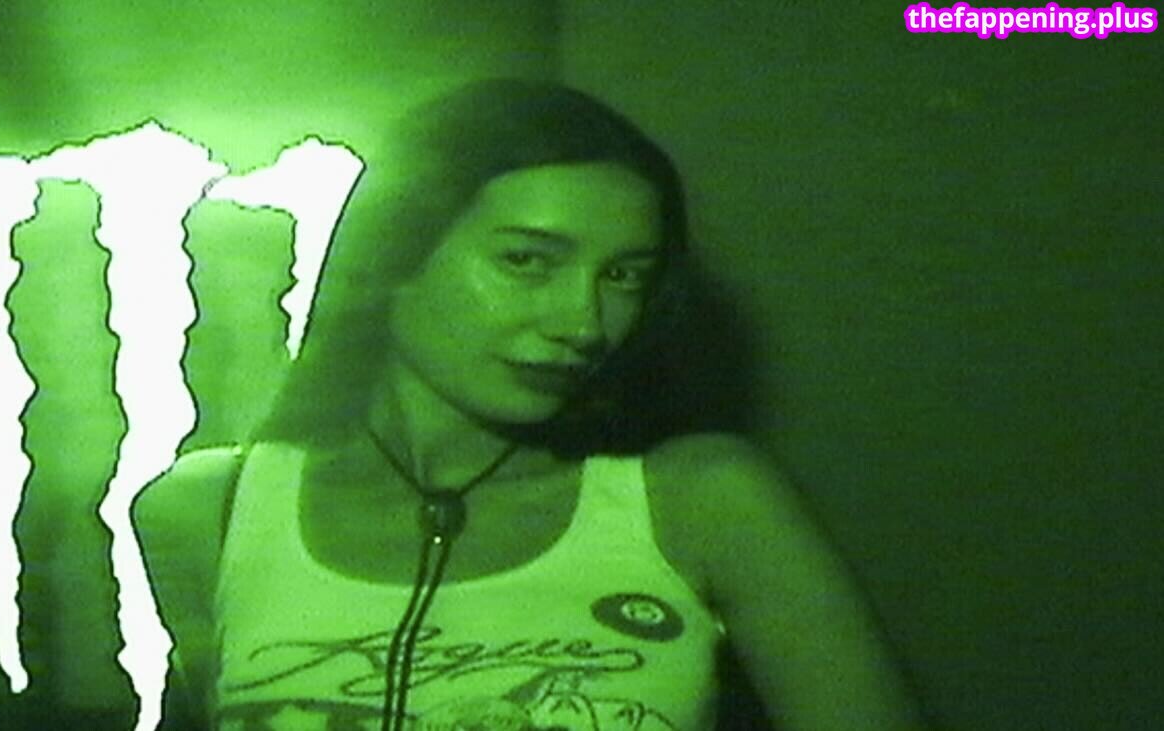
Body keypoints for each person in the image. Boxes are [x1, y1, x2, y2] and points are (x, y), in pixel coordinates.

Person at [135, 78, 927, 731]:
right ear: (395, 255)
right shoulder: (206, 513)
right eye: (526, 261)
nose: (583, 322)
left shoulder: (702, 501)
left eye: (623, 275)